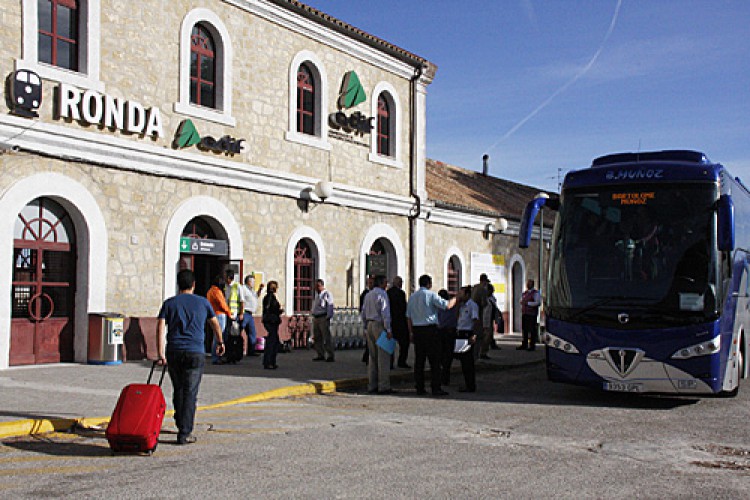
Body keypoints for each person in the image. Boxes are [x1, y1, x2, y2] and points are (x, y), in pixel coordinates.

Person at [156, 269, 225, 445]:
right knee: (190, 392)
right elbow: (215, 323)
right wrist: (220, 342)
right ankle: (184, 432)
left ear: (179, 284)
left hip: (174, 351)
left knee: (178, 389)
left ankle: (181, 422)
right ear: (194, 284)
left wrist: (160, 353)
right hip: (195, 352)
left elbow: (160, 327)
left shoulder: (169, 304)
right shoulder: (202, 303)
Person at [406, 274, 455, 397]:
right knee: (435, 360)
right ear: (429, 284)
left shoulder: (412, 297)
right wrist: (457, 298)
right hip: (430, 330)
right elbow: (447, 305)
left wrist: (411, 332)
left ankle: (420, 387)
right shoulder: (431, 295)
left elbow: (408, 317)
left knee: (419, 360)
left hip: (417, 330)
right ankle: (435, 387)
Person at [360, 275, 393, 394]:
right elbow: (385, 313)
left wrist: (365, 327)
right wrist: (388, 330)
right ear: (382, 283)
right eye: (385, 282)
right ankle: (383, 385)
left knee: (372, 357)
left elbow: (363, 312)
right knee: (383, 357)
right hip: (379, 325)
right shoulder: (382, 294)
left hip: (369, 324)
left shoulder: (368, 295)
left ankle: (372, 384)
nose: (387, 285)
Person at [455, 286, 480, 392]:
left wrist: (474, 335)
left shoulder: (472, 305)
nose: (460, 296)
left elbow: (475, 320)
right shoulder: (461, 306)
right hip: (460, 333)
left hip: (467, 333)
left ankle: (470, 385)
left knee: (467, 361)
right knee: (462, 360)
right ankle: (466, 383)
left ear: (467, 295)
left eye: (462, 294)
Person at [206, 274, 232, 364]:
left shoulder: (210, 291)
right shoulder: (216, 291)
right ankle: (217, 357)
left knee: (216, 335)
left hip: (213, 314)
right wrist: (229, 313)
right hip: (219, 314)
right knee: (219, 336)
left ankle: (217, 356)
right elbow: (223, 304)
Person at [437, 289, 458, 386]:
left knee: (442, 355)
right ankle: (445, 377)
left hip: (442, 332)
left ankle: (442, 376)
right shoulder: (452, 306)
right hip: (449, 331)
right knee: (447, 356)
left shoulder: (438, 307)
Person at [387, 276, 410, 368]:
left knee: (390, 344)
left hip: (391, 322)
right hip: (400, 322)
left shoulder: (387, 293)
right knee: (404, 343)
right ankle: (401, 361)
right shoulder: (400, 293)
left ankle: (390, 363)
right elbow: (403, 308)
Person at [311, 279, 335, 362]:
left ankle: (330, 354)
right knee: (317, 337)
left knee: (326, 337)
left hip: (323, 317)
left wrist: (328, 317)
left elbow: (330, 306)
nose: (316, 288)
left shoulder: (327, 294)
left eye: (317, 286)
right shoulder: (317, 295)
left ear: (321, 286)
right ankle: (320, 354)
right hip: (316, 317)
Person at [239, 275, 263, 356]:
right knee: (239, 330)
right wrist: (241, 313)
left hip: (250, 314)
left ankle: (251, 351)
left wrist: (260, 289)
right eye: (252, 281)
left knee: (252, 333)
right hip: (245, 312)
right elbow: (242, 300)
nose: (253, 283)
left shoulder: (251, 290)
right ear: (248, 282)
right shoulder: (243, 289)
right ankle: (236, 349)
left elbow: (256, 296)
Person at [262, 281, 283, 369]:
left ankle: (271, 362)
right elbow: (270, 309)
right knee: (272, 342)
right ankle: (269, 362)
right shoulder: (270, 297)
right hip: (271, 321)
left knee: (273, 342)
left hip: (270, 321)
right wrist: (279, 311)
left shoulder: (268, 297)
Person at [519, 279, 541, 351]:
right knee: (524, 329)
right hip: (525, 313)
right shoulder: (524, 293)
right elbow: (521, 300)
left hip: (532, 314)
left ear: (532, 285)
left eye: (529, 284)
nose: (528, 285)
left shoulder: (536, 293)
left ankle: (532, 345)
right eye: (527, 283)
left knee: (532, 330)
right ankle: (524, 344)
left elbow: (538, 303)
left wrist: (528, 303)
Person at [479, 283, 500, 359]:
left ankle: (484, 352)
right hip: (484, 321)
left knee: (488, 337)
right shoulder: (483, 299)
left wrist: (496, 319)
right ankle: (482, 352)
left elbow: (495, 310)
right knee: (485, 337)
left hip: (489, 320)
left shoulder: (491, 299)